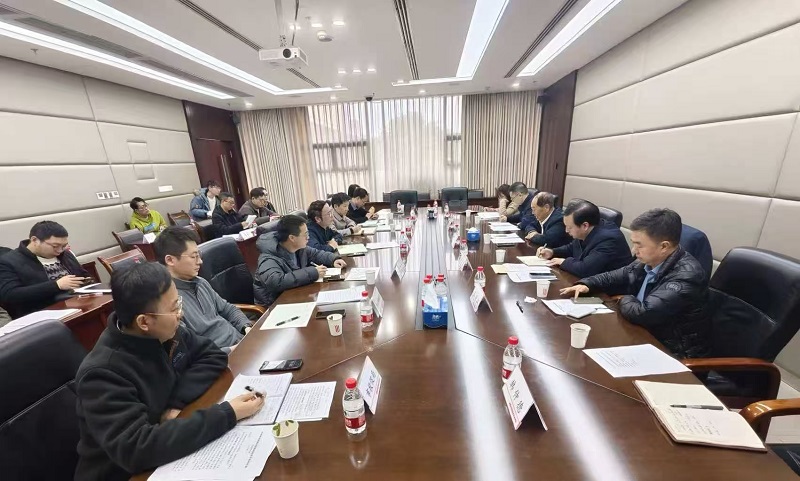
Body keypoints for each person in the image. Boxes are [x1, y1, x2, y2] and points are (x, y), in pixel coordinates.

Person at [73, 262, 264, 481]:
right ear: (144, 321)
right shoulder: (102, 373)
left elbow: (213, 355)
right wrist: (227, 414)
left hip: (168, 445)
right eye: (174, 308)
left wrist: (175, 402)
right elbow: (136, 448)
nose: (180, 314)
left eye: (178, 303)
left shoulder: (165, 332)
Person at [560, 208, 711, 358]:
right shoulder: (649, 260)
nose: (634, 250)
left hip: (672, 352)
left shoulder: (686, 276)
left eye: (639, 245)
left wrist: (624, 298)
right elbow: (617, 275)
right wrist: (587, 284)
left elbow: (643, 313)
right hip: (641, 335)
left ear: (664, 246)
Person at [154, 227, 252, 352]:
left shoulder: (200, 282)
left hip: (240, 341)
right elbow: (192, 351)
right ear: (170, 260)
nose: (200, 261)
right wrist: (233, 350)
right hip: (222, 356)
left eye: (199, 255)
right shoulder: (169, 302)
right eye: (194, 256)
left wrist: (246, 327)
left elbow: (227, 309)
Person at [0, 221, 91, 319]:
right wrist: (56, 285)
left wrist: (86, 281)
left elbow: (83, 275)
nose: (60, 250)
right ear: (35, 240)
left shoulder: (65, 255)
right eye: (55, 246)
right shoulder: (8, 262)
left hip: (79, 306)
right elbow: (11, 295)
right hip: (43, 316)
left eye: (63, 246)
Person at [254, 215, 347, 306]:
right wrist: (312, 273)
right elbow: (276, 282)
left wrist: (333, 259)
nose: (308, 237)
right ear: (292, 238)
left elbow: (316, 254)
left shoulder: (299, 248)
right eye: (305, 234)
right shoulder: (269, 257)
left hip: (294, 296)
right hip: (274, 305)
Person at [537, 199, 633, 278]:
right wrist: (552, 252)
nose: (566, 230)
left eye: (569, 227)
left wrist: (563, 262)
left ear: (585, 226)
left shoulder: (608, 239)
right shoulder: (587, 230)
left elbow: (585, 270)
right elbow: (572, 247)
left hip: (610, 291)